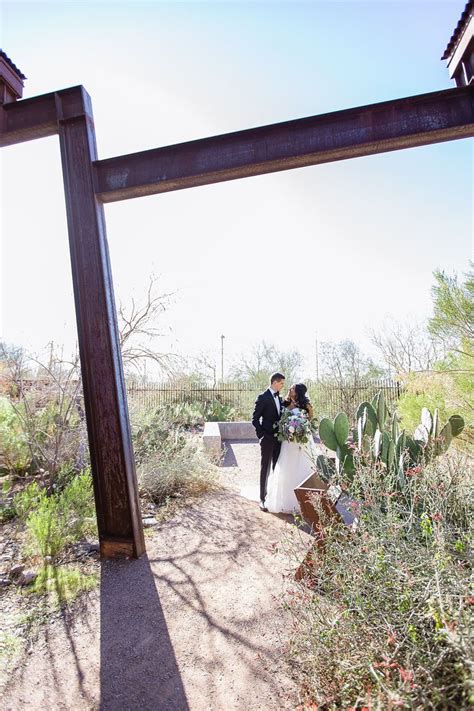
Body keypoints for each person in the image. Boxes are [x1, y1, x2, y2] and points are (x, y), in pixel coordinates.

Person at [265, 382, 319, 514]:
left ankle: (306, 501)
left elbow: (310, 421)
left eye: (293, 389)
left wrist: (301, 428)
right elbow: (281, 419)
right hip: (288, 441)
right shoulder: (284, 403)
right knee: (287, 467)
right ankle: (287, 501)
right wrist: (287, 430)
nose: (290, 389)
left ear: (298, 392)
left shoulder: (306, 406)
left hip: (303, 441)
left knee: (304, 466)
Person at [251, 372, 285, 512]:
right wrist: (262, 436)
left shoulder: (280, 398)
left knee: (276, 468)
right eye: (282, 383)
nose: (282, 386)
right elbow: (255, 419)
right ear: (275, 382)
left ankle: (273, 496)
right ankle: (262, 499)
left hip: (279, 439)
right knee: (265, 468)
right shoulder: (263, 397)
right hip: (267, 439)